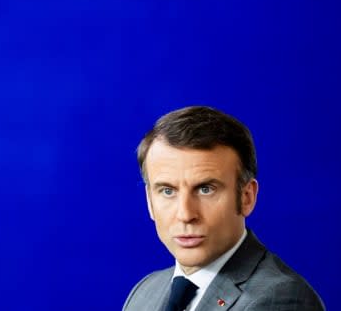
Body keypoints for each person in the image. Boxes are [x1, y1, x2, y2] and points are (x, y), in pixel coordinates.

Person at [123, 106, 324, 311]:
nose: (185, 214)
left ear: (247, 197)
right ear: (149, 201)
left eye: (205, 189)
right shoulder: (145, 292)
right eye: (167, 191)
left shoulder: (281, 299)